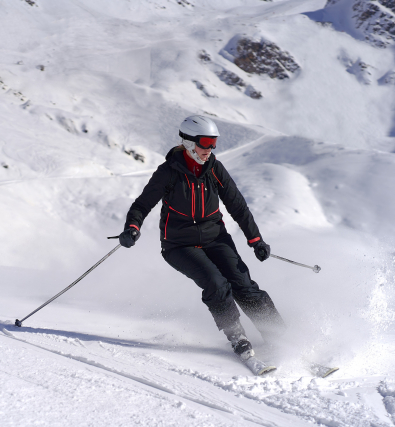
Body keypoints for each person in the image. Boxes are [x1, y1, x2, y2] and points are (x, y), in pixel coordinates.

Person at [118, 115, 286, 362]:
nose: (211, 149)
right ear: (188, 142)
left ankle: (279, 337)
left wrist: (256, 240)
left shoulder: (214, 169)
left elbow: (237, 205)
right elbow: (142, 205)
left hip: (215, 237)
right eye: (206, 142)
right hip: (179, 244)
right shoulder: (168, 172)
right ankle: (237, 336)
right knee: (216, 284)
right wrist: (132, 227)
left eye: (214, 142)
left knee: (244, 285)